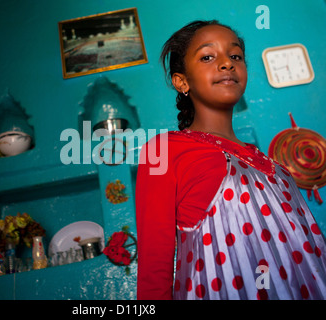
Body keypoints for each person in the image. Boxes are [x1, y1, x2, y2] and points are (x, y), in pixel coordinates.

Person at [135, 20, 326, 300]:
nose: (227, 64)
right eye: (208, 56)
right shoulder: (163, 151)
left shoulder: (275, 167)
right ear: (181, 81)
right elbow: (155, 270)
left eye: (235, 56)